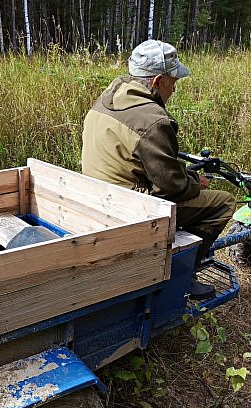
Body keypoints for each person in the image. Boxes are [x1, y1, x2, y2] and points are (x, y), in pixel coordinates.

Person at [81, 39, 235, 300]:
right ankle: (182, 276)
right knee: (224, 202)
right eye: (173, 81)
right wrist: (196, 182)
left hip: (96, 193)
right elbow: (170, 188)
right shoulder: (154, 121)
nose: (174, 88)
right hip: (127, 207)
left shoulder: (109, 96)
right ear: (157, 82)